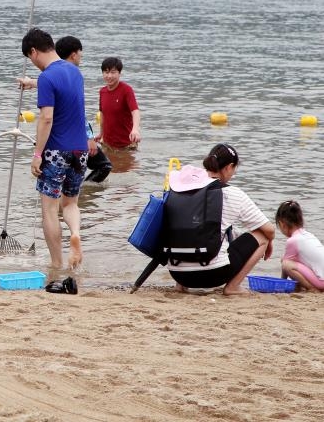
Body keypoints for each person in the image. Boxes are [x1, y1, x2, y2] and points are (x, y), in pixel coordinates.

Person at [165, 144, 274, 295]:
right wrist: (270, 241)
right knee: (262, 236)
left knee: (190, 224)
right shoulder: (232, 193)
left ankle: (180, 287)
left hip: (178, 274)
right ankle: (233, 287)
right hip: (214, 275)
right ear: (229, 167)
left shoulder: (180, 187)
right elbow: (269, 229)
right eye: (234, 169)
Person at [21, 28, 89, 270]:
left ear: (33, 51)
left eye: (30, 58)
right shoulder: (74, 71)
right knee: (70, 204)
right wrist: (32, 84)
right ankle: (76, 234)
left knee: (49, 210)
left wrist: (37, 155)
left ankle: (57, 264)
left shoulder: (48, 78)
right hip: (80, 150)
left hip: (56, 151)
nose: (33, 63)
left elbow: (46, 118)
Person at [51, 36, 111, 183]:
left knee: (62, 175)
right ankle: (84, 192)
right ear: (74, 54)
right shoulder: (73, 74)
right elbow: (79, 110)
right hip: (76, 137)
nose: (81, 56)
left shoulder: (54, 72)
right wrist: (89, 137)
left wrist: (31, 83)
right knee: (104, 166)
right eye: (80, 52)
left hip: (58, 137)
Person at [276, 200, 324, 292]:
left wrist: (282, 283)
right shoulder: (308, 235)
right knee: (289, 261)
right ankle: (299, 286)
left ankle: (311, 288)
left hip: (321, 282)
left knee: (286, 263)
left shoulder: (292, 241)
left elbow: (285, 266)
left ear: (282, 224)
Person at [98, 56, 141, 149]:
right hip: (107, 144)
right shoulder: (102, 91)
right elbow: (102, 115)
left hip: (126, 145)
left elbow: (135, 111)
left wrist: (135, 129)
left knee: (127, 163)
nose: (109, 76)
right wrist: (101, 134)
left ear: (119, 73)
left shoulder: (126, 90)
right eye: (106, 72)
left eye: (113, 72)